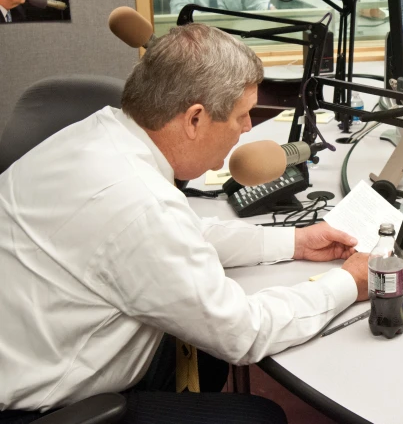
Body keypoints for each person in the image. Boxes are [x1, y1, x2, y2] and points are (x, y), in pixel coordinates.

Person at [0, 23, 369, 422]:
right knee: (260, 417)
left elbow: (181, 232)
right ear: (194, 119)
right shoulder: (141, 204)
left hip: (29, 343)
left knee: (205, 359)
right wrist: (350, 282)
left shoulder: (99, 132)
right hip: (37, 406)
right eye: (242, 115)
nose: (248, 128)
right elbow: (245, 333)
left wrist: (294, 242)